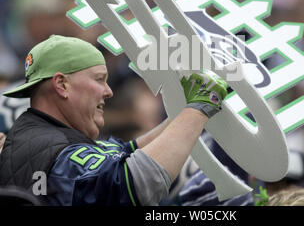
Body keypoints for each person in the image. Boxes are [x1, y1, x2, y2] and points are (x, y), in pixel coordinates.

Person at [0, 35, 228, 206]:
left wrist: (186, 115)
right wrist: (201, 106)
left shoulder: (40, 138)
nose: (108, 91)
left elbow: (124, 152)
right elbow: (133, 183)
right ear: (61, 85)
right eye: (99, 79)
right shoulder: (49, 148)